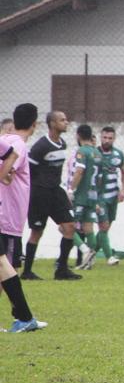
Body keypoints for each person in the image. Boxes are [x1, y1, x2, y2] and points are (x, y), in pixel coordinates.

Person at [0, 103, 48, 331]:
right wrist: (6, 178)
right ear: (34, 124)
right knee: (7, 267)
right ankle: (24, 318)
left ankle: (24, 317)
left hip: (5, 215)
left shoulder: (6, 140)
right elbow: (6, 170)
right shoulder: (18, 145)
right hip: (7, 218)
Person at [23, 111, 82, 280]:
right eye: (62, 120)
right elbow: (30, 170)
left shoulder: (62, 143)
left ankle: (61, 270)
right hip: (40, 193)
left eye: (66, 119)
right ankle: (27, 272)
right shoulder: (41, 146)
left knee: (70, 226)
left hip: (56, 192)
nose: (66, 122)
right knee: (37, 232)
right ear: (52, 124)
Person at [69, 124, 102, 271]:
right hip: (93, 195)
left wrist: (71, 189)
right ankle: (90, 261)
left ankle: (85, 250)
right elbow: (100, 178)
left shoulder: (82, 151)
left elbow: (79, 171)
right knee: (88, 228)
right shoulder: (97, 153)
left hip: (81, 195)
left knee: (66, 226)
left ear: (78, 135)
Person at [96, 126, 124, 266]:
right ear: (100, 138)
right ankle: (110, 257)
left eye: (110, 138)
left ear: (114, 139)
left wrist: (123, 191)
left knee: (106, 228)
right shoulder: (95, 154)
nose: (107, 140)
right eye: (104, 137)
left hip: (113, 196)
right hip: (99, 197)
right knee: (104, 226)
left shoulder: (118, 154)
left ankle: (89, 254)